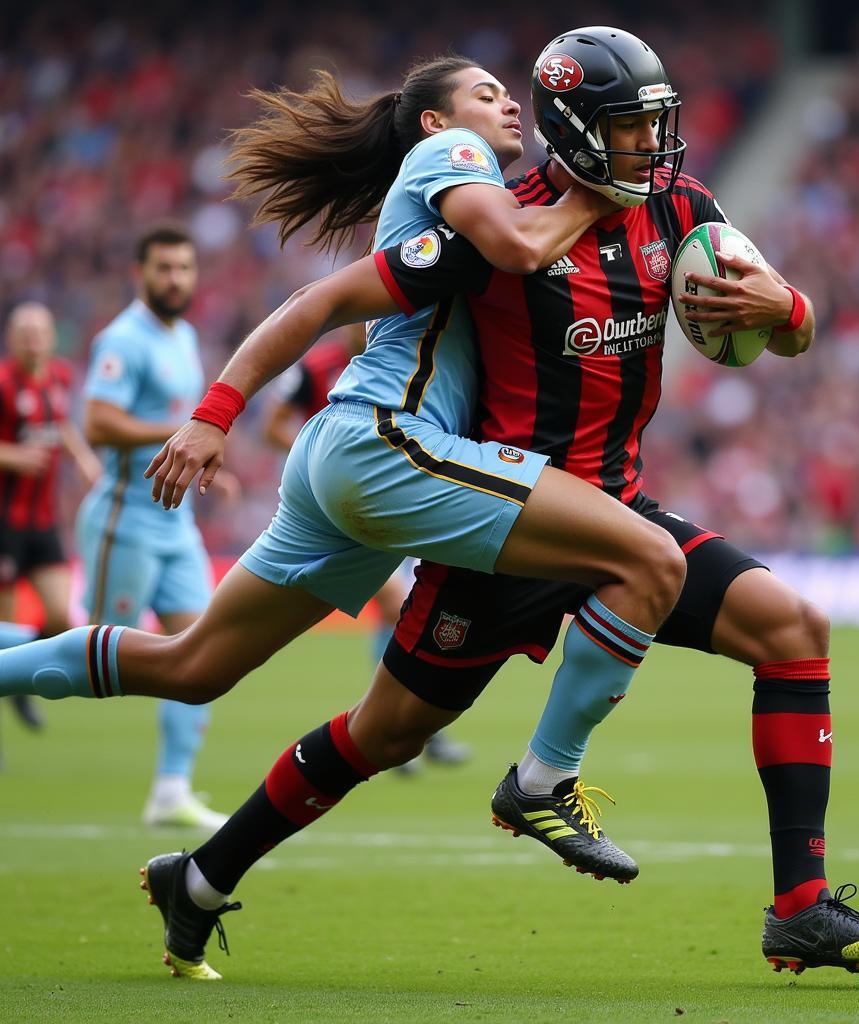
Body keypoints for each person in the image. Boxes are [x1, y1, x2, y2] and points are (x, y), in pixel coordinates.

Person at [138, 28, 859, 983]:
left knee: (794, 626)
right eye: (633, 127)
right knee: (386, 733)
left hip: (616, 509)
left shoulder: (682, 207)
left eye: (658, 123)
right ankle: (207, 876)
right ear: (577, 132)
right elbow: (335, 311)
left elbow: (787, 330)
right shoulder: (493, 228)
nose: (655, 143)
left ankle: (800, 910)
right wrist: (223, 411)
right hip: (502, 529)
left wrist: (783, 307)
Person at [0, 53, 692, 978]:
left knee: (192, 665)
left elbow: (320, 302)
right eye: (485, 94)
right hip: (387, 446)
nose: (507, 106)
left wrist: (219, 413)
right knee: (647, 560)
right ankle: (544, 780)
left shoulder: (448, 216)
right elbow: (520, 249)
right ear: (437, 125)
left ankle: (178, 856)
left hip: (354, 464)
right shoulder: (459, 168)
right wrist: (611, 191)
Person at [76, 222, 237, 830]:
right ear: (139, 274)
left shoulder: (185, 335)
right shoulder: (124, 339)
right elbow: (98, 423)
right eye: (164, 268)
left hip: (176, 527)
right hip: (127, 521)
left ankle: (172, 789)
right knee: (89, 645)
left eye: (184, 268)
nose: (176, 279)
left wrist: (203, 465)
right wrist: (183, 437)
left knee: (201, 653)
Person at [262, 329, 469, 770]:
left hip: (402, 496)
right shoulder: (316, 367)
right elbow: (272, 424)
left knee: (413, 606)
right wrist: (316, 450)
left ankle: (416, 730)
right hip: (342, 500)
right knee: (396, 605)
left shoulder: (412, 360)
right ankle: (387, 727)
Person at [0, 302, 100, 741]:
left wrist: (83, 458)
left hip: (42, 523)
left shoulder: (59, 376)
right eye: (24, 331)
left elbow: (59, 424)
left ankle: (19, 686)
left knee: (60, 616)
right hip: (4, 522)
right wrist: (14, 456)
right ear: (11, 337)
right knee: (3, 631)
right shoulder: (3, 383)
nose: (32, 338)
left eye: (40, 330)